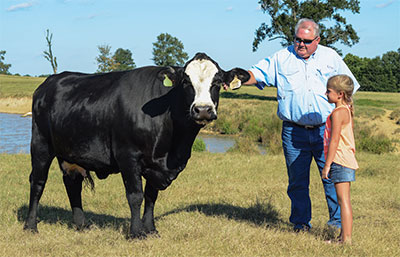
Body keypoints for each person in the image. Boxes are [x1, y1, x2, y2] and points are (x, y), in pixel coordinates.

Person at [235, 18, 360, 232]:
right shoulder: (282, 57)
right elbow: (258, 73)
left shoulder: (331, 57)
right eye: (297, 39)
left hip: (326, 130)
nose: (301, 44)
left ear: (317, 40)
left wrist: (346, 121)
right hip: (294, 132)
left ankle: (336, 224)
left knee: (331, 178)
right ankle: (301, 224)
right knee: (297, 181)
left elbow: (349, 88)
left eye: (306, 40)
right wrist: (236, 79)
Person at [322, 75, 358, 244]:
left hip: (340, 160)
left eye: (329, 91)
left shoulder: (338, 113)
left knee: (343, 201)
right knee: (343, 200)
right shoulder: (346, 110)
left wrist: (327, 165)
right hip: (345, 159)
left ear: (340, 94)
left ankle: (346, 240)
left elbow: (334, 140)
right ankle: (342, 237)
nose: (326, 93)